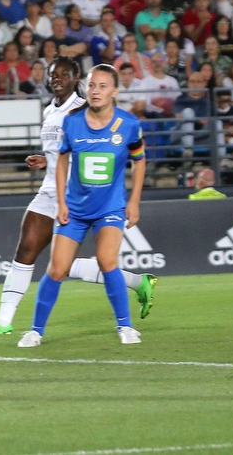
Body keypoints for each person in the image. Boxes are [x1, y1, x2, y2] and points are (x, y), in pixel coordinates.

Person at [0, 57, 156, 337]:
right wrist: (46, 160)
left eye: (63, 75)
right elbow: (63, 151)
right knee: (29, 250)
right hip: (49, 188)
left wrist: (130, 198)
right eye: (52, 75)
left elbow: (96, 149)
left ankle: (133, 285)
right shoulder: (50, 110)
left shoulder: (82, 109)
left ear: (75, 78)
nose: (56, 79)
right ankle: (3, 321)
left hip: (76, 193)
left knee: (60, 264)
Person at [18, 64, 147, 348]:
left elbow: (139, 160)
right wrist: (62, 202)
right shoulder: (72, 121)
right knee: (57, 269)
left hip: (109, 208)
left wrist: (134, 201)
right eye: (91, 86)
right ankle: (35, 331)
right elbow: (62, 159)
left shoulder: (129, 124)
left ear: (114, 91)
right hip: (75, 209)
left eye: (102, 86)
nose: (96, 91)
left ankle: (125, 327)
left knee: (107, 260)